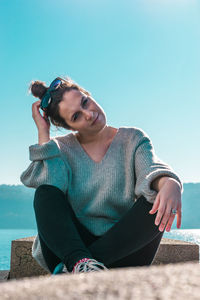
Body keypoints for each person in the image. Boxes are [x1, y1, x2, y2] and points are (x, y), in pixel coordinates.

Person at [20, 76, 183, 275]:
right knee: (45, 191)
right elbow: (48, 192)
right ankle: (81, 262)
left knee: (157, 197)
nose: (88, 114)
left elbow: (151, 170)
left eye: (85, 102)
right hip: (69, 248)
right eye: (76, 117)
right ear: (69, 127)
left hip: (123, 250)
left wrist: (170, 183)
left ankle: (79, 268)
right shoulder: (61, 149)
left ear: (88, 94)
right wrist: (43, 134)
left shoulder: (133, 139)